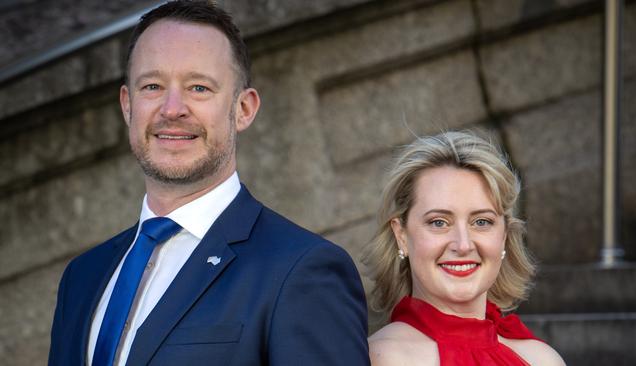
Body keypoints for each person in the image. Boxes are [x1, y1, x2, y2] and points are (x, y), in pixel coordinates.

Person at [48, 1, 369, 365]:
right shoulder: (82, 277)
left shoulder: (301, 270)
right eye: (152, 86)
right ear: (127, 105)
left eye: (199, 88)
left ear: (243, 109)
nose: (172, 109)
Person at [363, 131, 565, 365]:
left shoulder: (543, 359)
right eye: (438, 222)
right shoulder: (377, 357)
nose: (463, 245)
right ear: (401, 236)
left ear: (504, 236)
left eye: (482, 222)